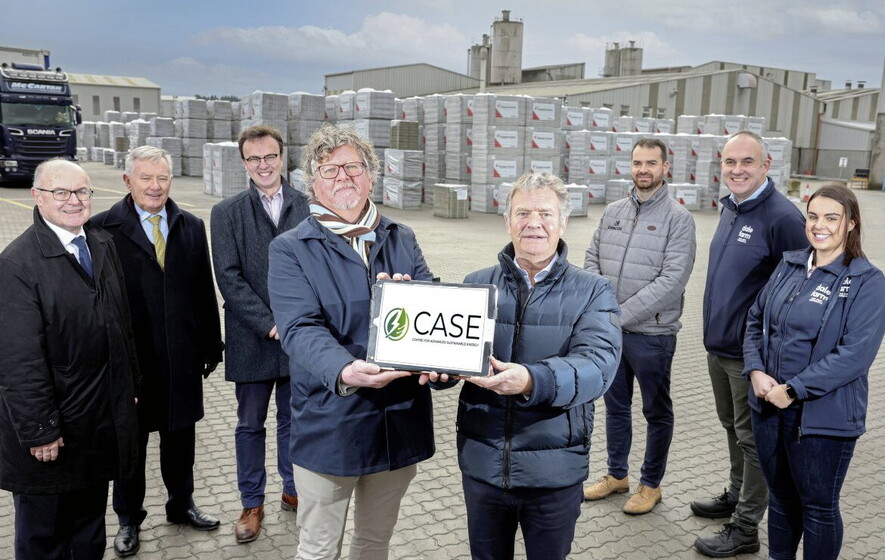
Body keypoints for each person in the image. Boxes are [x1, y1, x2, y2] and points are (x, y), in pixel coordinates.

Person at [268, 125, 435, 559]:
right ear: (312, 183)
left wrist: (439, 363)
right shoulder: (291, 248)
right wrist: (343, 369)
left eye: (353, 167)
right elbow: (299, 327)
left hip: (396, 425)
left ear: (372, 176)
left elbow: (435, 319)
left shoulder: (402, 237)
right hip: (331, 424)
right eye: (329, 169)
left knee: (374, 542)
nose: (343, 177)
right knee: (320, 549)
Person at [454, 172, 622, 559]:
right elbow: (454, 355)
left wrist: (533, 380)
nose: (533, 223)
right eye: (523, 213)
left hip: (553, 473)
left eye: (545, 214)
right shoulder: (476, 284)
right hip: (483, 465)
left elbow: (598, 366)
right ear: (507, 221)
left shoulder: (593, 290)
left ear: (563, 223)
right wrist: (437, 370)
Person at [0, 159, 139, 560]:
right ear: (37, 197)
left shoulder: (100, 245)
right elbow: (17, 361)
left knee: (89, 528)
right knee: (45, 536)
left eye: (81, 191)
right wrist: (40, 429)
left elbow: (121, 326)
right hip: (51, 436)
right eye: (61, 192)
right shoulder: (17, 265)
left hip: (96, 424)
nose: (74, 201)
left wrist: (128, 388)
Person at [92, 145, 224, 557]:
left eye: (162, 178)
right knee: (131, 446)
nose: (155, 186)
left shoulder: (190, 225)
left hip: (181, 354)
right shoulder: (102, 228)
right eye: (145, 178)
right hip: (131, 362)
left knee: (181, 438)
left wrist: (210, 344)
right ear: (128, 181)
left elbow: (204, 287)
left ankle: (181, 505)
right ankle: (129, 519)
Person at [744, 183, 885, 560]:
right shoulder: (789, 264)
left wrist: (792, 390)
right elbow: (756, 319)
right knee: (780, 499)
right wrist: (756, 370)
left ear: (851, 224)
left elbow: (854, 354)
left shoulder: (867, 282)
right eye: (813, 216)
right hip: (769, 409)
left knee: (818, 508)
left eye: (831, 218)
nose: (819, 225)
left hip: (822, 420)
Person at [693, 131, 808, 557]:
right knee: (733, 429)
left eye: (746, 162)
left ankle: (745, 527)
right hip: (718, 347)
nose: (736, 170)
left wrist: (768, 355)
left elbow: (797, 292)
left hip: (751, 357)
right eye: (729, 162)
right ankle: (736, 495)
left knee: (754, 441)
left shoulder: (782, 218)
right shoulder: (731, 208)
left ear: (766, 164)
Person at [583, 138, 696, 514]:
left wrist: (616, 316)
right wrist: (601, 311)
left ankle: (651, 484)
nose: (643, 170)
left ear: (666, 168)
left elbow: (672, 280)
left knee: (656, 411)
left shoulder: (679, 219)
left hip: (652, 336)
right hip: (611, 334)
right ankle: (617, 475)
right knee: (615, 408)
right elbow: (592, 258)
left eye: (651, 163)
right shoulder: (613, 211)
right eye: (637, 163)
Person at [211, 125, 309, 543]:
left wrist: (295, 324)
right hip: (252, 338)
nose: (263, 165)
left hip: (298, 339)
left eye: (270, 157)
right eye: (254, 159)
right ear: (244, 163)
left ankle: (293, 490)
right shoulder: (226, 212)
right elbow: (228, 278)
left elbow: (316, 270)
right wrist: (270, 323)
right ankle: (252, 503)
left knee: (294, 420)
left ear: (282, 157)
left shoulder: (308, 206)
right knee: (250, 424)